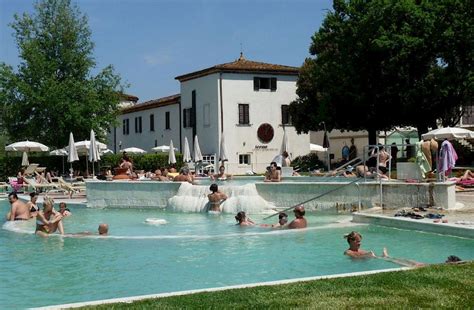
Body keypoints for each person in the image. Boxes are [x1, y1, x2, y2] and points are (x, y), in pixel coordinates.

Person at [343, 231, 425, 267]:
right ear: (351, 241)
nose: (360, 243)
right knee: (391, 260)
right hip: (373, 260)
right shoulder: (347, 252)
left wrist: (368, 255)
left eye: (360, 241)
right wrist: (366, 255)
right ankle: (412, 266)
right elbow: (355, 258)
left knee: (394, 258)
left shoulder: (361, 250)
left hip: (374, 258)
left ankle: (416, 263)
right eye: (357, 241)